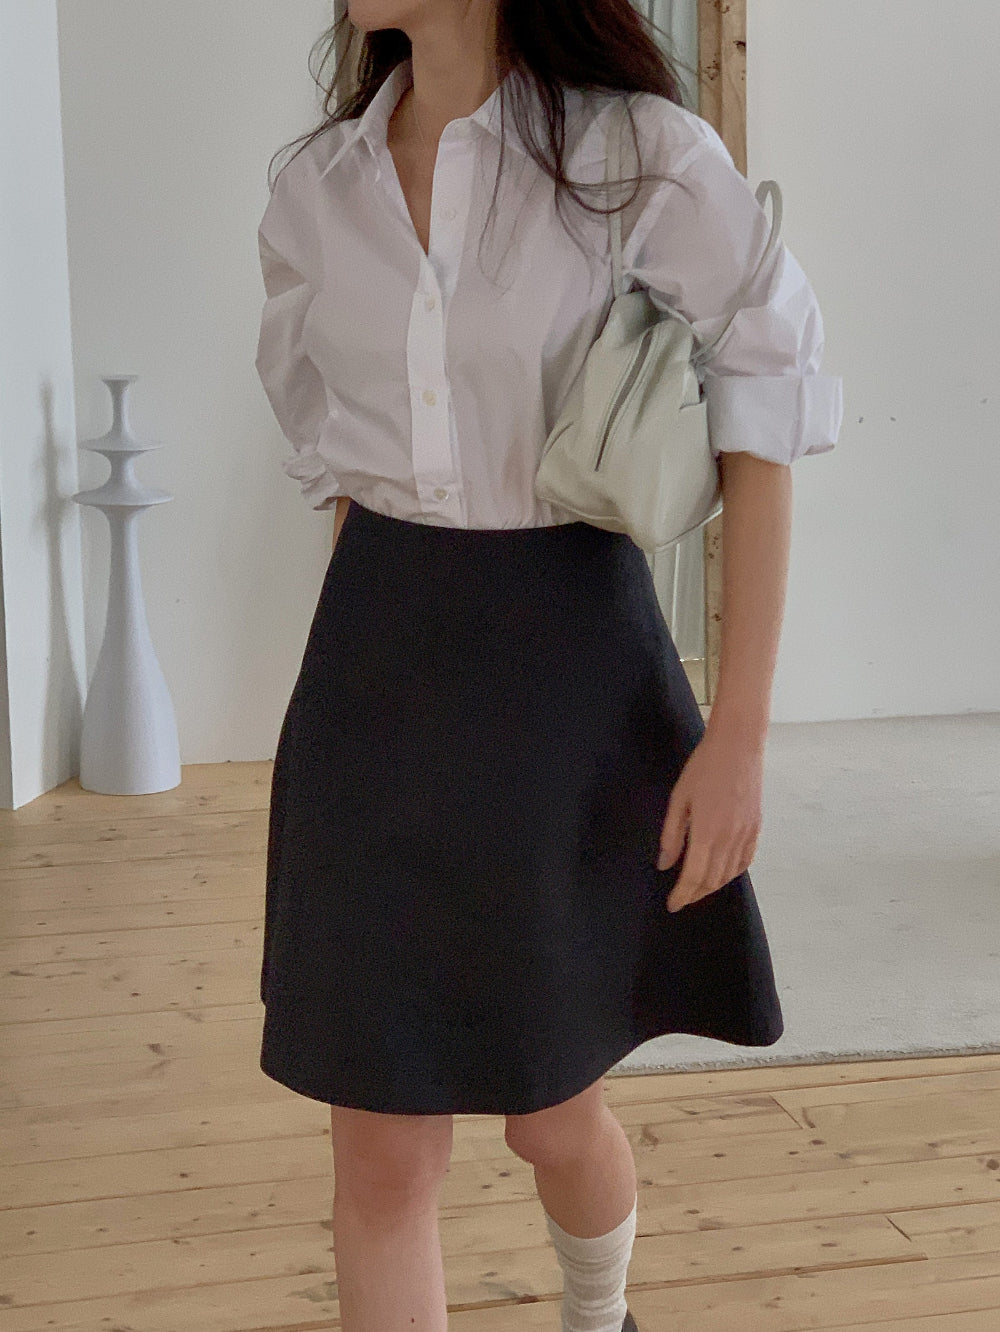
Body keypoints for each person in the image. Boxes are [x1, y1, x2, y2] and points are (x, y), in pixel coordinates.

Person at [253, 2, 843, 1329]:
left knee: (551, 1111)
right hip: (373, 674)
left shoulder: (635, 154)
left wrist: (740, 734)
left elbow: (767, 409)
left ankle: (599, 1313)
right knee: (382, 1154)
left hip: (572, 677)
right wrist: (344, 706)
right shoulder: (318, 190)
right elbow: (343, 477)